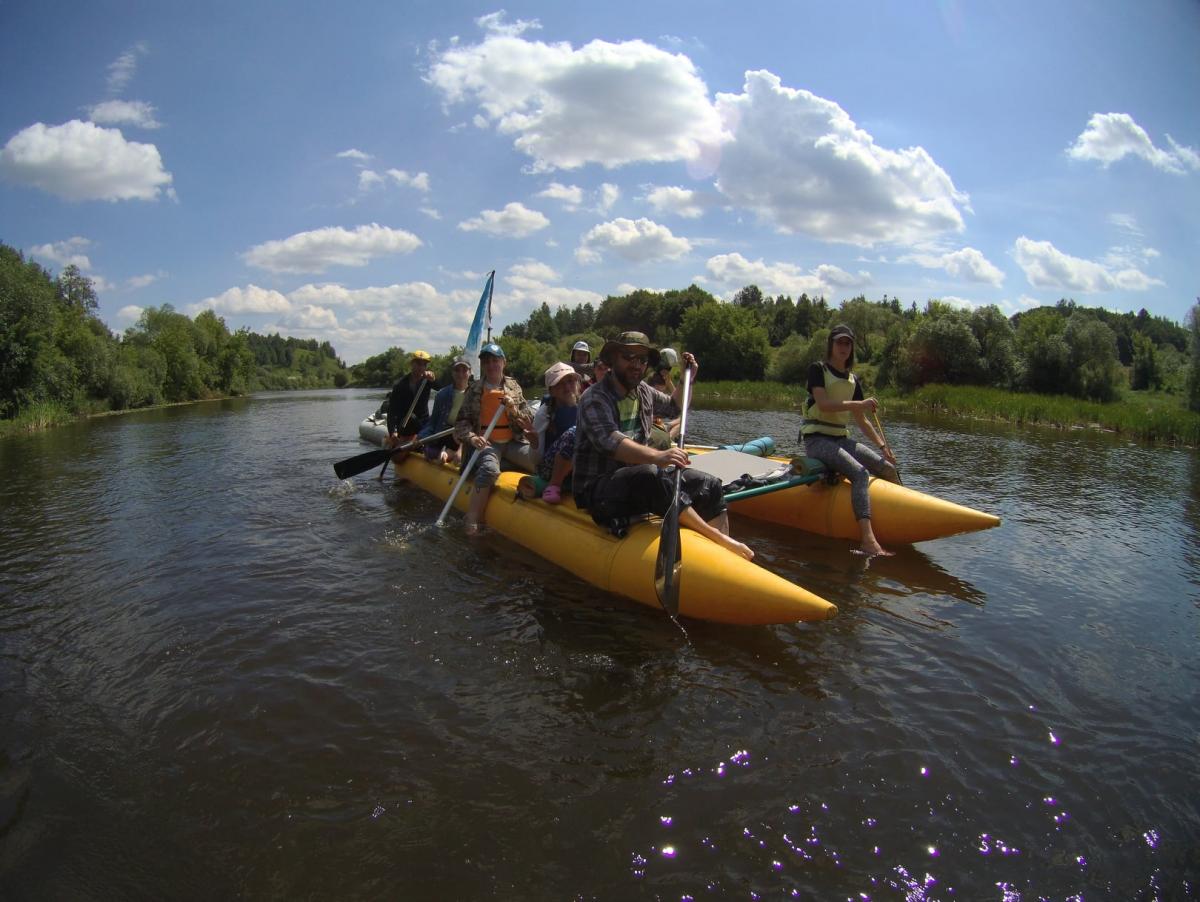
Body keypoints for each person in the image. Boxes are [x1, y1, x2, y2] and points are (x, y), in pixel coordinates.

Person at [573, 331, 753, 560]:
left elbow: (675, 408)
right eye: (629, 356)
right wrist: (658, 456)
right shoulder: (594, 398)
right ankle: (720, 540)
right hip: (598, 488)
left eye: (642, 359)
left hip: (637, 478)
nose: (636, 364)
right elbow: (611, 442)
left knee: (709, 485)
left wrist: (686, 379)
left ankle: (718, 560)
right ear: (613, 359)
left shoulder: (643, 392)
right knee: (651, 474)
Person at [800, 324, 901, 557]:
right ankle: (867, 541)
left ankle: (901, 512)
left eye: (848, 343)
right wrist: (860, 404)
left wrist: (883, 447)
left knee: (887, 468)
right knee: (860, 473)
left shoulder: (853, 380)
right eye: (839, 342)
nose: (844, 347)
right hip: (817, 440)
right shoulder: (818, 369)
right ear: (831, 345)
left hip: (840, 439)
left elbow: (862, 421)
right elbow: (824, 404)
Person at [453, 342, 537, 535]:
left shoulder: (513, 387)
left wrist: (512, 410)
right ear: (483, 365)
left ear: (503, 362)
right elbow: (461, 424)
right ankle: (472, 517)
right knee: (490, 469)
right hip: (486, 444)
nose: (491, 365)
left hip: (513, 442)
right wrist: (473, 438)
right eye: (487, 361)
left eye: (495, 360)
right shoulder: (474, 389)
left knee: (537, 462)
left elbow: (528, 419)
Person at [528, 362, 581, 504]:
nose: (567, 387)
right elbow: (535, 461)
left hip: (576, 466)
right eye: (560, 383)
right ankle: (554, 485)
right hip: (548, 469)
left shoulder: (585, 407)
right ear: (552, 391)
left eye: (570, 381)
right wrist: (534, 443)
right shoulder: (544, 413)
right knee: (575, 432)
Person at [419, 355, 473, 464]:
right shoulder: (442, 394)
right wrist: (420, 436)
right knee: (428, 451)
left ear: (470, 372)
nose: (461, 374)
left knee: (462, 439)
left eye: (464, 370)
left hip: (467, 435)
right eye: (457, 370)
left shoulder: (476, 394)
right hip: (446, 433)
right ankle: (447, 452)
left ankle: (451, 453)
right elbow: (433, 423)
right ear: (452, 373)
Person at [386, 350, 437, 453]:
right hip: (406, 424)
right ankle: (405, 444)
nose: (421, 367)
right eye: (418, 363)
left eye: (424, 364)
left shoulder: (428, 380)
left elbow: (443, 388)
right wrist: (393, 431)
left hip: (422, 422)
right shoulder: (400, 385)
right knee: (411, 418)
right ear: (411, 364)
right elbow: (392, 411)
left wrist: (434, 379)